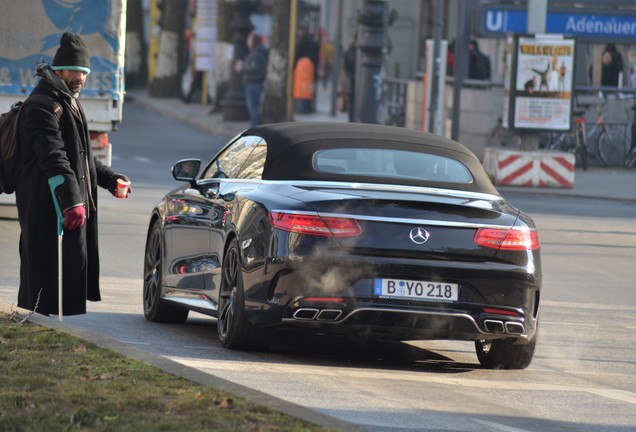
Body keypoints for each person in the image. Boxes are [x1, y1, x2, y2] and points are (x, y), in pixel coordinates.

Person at [16, 32, 131, 317]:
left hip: (66, 203)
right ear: (59, 70)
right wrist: (71, 202)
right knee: (43, 270)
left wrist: (109, 179)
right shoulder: (41, 105)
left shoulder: (69, 101)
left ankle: (50, 324)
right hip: (47, 205)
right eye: (75, 71)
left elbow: (82, 158)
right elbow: (54, 158)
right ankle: (36, 324)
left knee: (65, 272)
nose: (80, 77)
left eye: (84, 72)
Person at [241, 32, 268, 126]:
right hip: (256, 83)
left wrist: (243, 67)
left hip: (253, 83)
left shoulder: (256, 54)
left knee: (253, 107)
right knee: (254, 107)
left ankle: (255, 127)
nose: (247, 42)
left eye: (249, 40)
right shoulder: (258, 52)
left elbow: (255, 68)